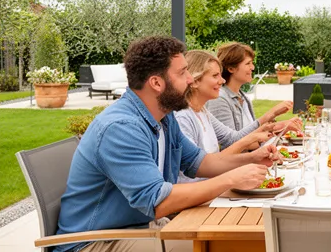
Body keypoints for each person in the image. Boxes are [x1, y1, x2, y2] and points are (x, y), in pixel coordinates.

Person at [55, 36, 282, 252]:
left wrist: (251, 158)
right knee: (226, 246)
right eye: (183, 73)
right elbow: (157, 201)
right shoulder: (121, 127)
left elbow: (200, 161)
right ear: (156, 83)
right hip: (95, 241)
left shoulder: (164, 117)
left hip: (138, 228)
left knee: (245, 241)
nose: (191, 79)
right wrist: (232, 178)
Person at [175, 50, 274, 182]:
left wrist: (259, 136)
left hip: (213, 190)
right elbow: (197, 170)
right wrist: (252, 141)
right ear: (194, 81)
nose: (222, 81)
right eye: (215, 76)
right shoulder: (182, 117)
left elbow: (231, 137)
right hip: (200, 197)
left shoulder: (202, 111)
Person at [207, 41, 302, 136]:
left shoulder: (243, 97)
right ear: (231, 68)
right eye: (248, 63)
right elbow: (231, 142)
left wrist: (283, 126)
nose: (252, 67)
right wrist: (271, 114)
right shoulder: (219, 99)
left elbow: (253, 134)